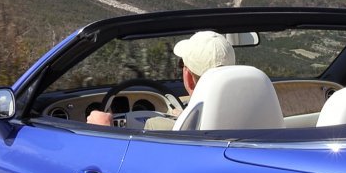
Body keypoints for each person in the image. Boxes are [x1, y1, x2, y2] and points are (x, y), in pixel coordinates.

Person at [87, 29, 235, 126]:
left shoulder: (157, 126)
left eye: (181, 64)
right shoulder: (251, 115)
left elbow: (133, 170)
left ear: (188, 77)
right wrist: (186, 116)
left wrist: (104, 129)